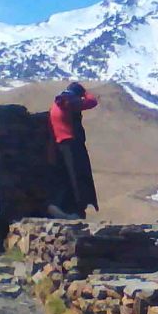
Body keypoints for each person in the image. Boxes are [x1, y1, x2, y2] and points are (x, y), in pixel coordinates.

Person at [47, 82, 99, 219]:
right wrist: (85, 93)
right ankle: (75, 210)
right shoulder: (70, 102)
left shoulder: (56, 103)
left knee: (65, 177)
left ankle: (59, 206)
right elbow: (92, 102)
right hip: (72, 143)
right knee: (77, 177)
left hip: (59, 144)